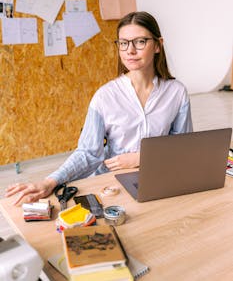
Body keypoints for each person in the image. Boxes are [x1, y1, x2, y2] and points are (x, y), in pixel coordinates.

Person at [5, 11, 193, 205]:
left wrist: (141, 158)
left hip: (159, 179)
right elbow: (88, 153)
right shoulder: (105, 96)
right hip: (113, 183)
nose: (130, 51)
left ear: (157, 45)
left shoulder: (177, 92)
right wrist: (49, 181)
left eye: (140, 42)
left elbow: (183, 146)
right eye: (123, 43)